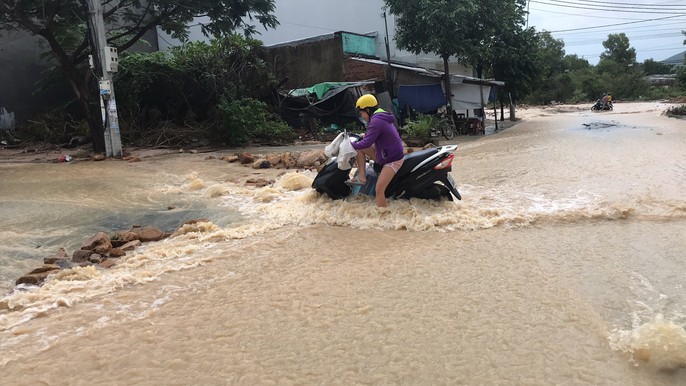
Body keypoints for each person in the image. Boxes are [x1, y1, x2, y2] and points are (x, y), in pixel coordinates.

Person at [349, 94, 405, 208]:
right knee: (360, 148)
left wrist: (350, 144)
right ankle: (362, 176)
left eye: (362, 113)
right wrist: (362, 136)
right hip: (387, 153)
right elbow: (375, 135)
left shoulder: (376, 121)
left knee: (379, 190)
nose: (362, 116)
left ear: (368, 110)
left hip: (393, 159)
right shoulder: (380, 116)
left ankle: (383, 218)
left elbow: (367, 143)